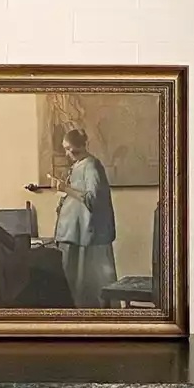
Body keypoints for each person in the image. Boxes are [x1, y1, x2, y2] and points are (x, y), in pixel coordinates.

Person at [52, 127, 117, 307]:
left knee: (88, 282)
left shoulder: (91, 165)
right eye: (65, 149)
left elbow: (93, 199)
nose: (68, 153)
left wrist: (66, 189)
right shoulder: (77, 166)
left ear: (82, 146)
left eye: (71, 149)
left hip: (85, 234)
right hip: (73, 233)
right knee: (73, 282)